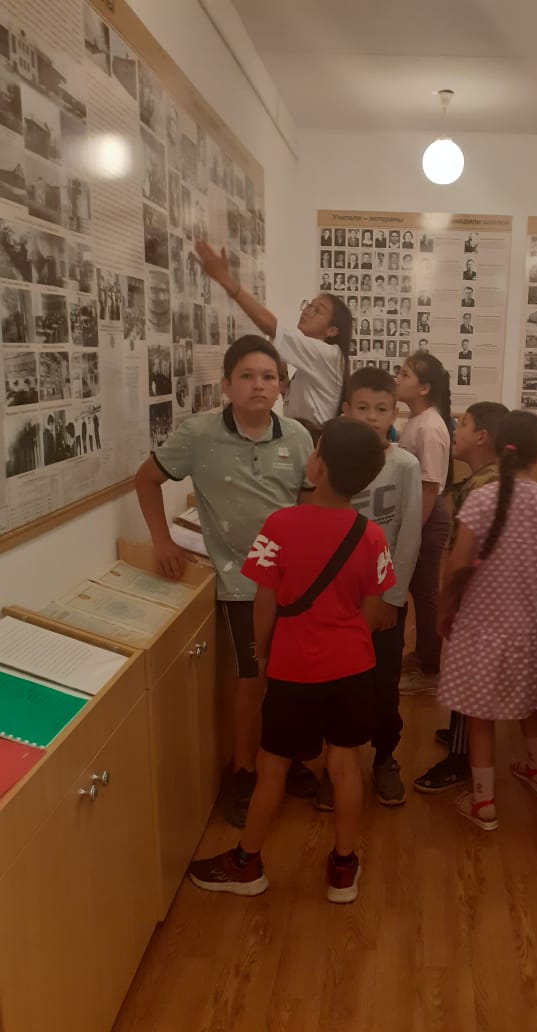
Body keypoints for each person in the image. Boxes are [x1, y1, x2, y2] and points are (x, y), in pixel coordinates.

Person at [188, 418, 395, 903]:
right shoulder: (371, 536)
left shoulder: (279, 525)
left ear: (318, 466)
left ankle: (247, 864)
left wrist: (260, 652)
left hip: (293, 666)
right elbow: (374, 610)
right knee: (345, 766)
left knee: (273, 767)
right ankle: (342, 869)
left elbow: (264, 601)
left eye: (316, 449)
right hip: (353, 666)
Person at [134, 336, 315, 826]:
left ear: (281, 386)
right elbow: (146, 479)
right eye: (247, 376)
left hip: (295, 583)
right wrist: (161, 540)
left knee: (292, 679)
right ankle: (244, 771)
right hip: (241, 582)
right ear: (226, 385)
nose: (259, 385)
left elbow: (308, 505)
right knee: (251, 681)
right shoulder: (198, 434)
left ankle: (288, 759)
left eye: (269, 377)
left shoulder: (298, 436)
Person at [436, 411, 537, 829]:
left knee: (480, 714)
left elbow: (457, 565)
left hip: (482, 625)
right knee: (531, 702)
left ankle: (483, 802)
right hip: (531, 624)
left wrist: (445, 608)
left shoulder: (480, 499)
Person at [314, 369, 422, 810]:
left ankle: (384, 758)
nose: (372, 417)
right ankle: (337, 764)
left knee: (383, 682)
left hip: (383, 599)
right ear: (345, 411)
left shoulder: (405, 465)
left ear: (394, 413)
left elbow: (409, 535)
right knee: (335, 682)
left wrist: (392, 598)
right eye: (362, 408)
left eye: (382, 409)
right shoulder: (326, 463)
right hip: (334, 599)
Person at [414, 402, 509, 793]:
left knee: (467, 678)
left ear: (482, 436)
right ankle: (463, 736)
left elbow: (465, 557)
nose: (456, 428)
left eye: (464, 423)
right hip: (491, 596)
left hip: (478, 597)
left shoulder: (482, 486)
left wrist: (449, 601)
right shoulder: (493, 479)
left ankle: (460, 757)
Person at [195, 240, 351, 427]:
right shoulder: (317, 358)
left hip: (312, 438)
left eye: (317, 310)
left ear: (332, 330)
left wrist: (227, 281)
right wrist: (284, 385)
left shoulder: (328, 354)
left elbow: (271, 326)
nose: (308, 310)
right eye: (309, 305)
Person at [395, 353, 452, 695]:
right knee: (418, 590)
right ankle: (422, 655)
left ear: (424, 388)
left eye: (405, 374)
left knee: (425, 593)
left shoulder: (430, 427)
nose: (397, 379)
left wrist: (412, 533)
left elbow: (429, 486)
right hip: (417, 514)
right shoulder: (416, 421)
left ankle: (431, 670)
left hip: (426, 517)